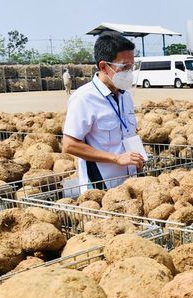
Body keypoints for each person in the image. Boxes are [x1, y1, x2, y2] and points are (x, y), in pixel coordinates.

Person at [62, 31, 144, 191]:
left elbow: (127, 133)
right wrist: (116, 158)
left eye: (132, 67)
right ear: (103, 66)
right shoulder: (84, 98)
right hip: (101, 190)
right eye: (124, 67)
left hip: (130, 185)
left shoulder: (125, 95)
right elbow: (70, 145)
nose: (129, 72)